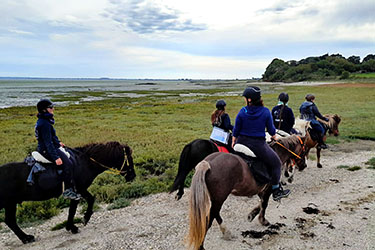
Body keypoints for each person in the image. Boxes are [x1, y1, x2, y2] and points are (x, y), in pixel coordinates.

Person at [232, 86, 290, 201]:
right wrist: (275, 137)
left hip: (241, 142)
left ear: (249, 100)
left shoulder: (242, 111)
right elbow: (271, 130)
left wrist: (234, 140)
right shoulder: (265, 112)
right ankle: (276, 190)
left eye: (245, 98)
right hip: (257, 145)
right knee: (277, 163)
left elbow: (236, 129)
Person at [35, 99, 81, 200]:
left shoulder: (45, 121)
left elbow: (51, 137)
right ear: (44, 110)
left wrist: (58, 142)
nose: (53, 109)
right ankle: (67, 191)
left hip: (50, 146)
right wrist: (56, 157)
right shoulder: (44, 124)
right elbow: (48, 143)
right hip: (46, 149)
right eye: (50, 107)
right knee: (68, 164)